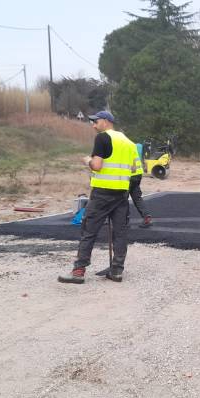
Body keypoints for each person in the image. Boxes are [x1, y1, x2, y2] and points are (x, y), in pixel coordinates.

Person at [58, 111, 138, 284]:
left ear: (106, 121)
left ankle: (78, 272)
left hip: (102, 194)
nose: (93, 125)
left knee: (89, 230)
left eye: (96, 121)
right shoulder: (129, 142)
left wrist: (87, 160)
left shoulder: (102, 138)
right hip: (121, 194)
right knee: (120, 233)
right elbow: (133, 169)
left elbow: (97, 166)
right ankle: (117, 271)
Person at [130, 144, 153, 228]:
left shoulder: (118, 146)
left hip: (128, 175)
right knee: (137, 197)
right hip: (137, 174)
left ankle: (123, 221)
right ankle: (147, 217)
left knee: (121, 199)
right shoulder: (131, 145)